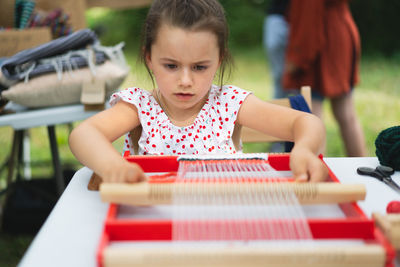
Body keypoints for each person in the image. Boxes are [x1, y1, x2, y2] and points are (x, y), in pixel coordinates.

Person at [69, 0, 328, 184]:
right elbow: (83, 135)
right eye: (171, 65)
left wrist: (303, 150)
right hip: (157, 225)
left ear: (219, 60)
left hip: (225, 222)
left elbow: (306, 121)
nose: (185, 80)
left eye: (199, 67)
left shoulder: (227, 103)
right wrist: (112, 166)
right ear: (149, 58)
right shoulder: (140, 106)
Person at [283, 0, 367, 157]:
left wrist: (298, 54)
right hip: (339, 34)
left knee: (312, 116)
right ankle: (362, 172)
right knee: (346, 112)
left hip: (322, 41)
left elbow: (308, 12)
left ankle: (318, 176)